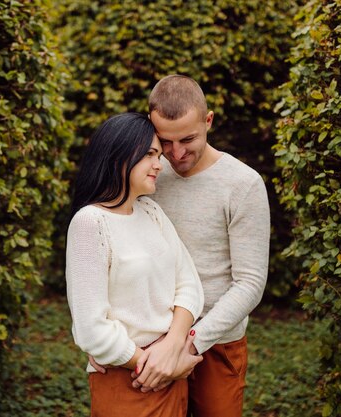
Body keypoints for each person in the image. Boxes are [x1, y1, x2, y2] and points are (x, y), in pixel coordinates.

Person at [134, 75, 271, 417]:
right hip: (149, 338)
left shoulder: (243, 183)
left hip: (217, 341)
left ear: (208, 121)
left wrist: (187, 342)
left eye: (188, 139)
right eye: (165, 141)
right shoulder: (144, 173)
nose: (176, 154)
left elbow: (250, 283)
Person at [65, 112, 205, 417]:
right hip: (129, 382)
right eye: (150, 155)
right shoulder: (91, 223)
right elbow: (92, 329)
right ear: (119, 157)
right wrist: (151, 365)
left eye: (158, 155)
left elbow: (190, 286)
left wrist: (171, 350)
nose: (159, 164)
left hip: (169, 375)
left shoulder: (151, 212)